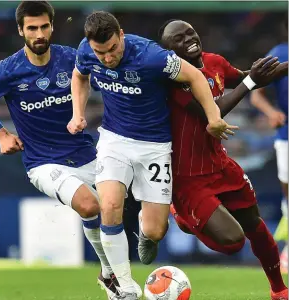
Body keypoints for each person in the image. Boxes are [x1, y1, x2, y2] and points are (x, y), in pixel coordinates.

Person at [67, 11, 237, 299]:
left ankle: (147, 234)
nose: (107, 58)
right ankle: (123, 286)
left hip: (154, 146)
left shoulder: (152, 56)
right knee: (109, 206)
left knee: (156, 230)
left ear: (121, 35)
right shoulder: (86, 51)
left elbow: (194, 75)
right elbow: (79, 76)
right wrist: (77, 114)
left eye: (112, 50)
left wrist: (213, 117)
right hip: (114, 140)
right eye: (100, 53)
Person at [0, 2, 129, 299]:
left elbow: (112, 69)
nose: (39, 34)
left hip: (86, 154)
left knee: (121, 205)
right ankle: (112, 274)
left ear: (52, 26)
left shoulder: (74, 58)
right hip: (43, 162)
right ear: (21, 30)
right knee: (90, 205)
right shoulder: (8, 70)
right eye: (32, 28)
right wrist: (0, 133)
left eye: (44, 26)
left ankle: (110, 273)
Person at [159, 19, 288, 300]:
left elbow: (246, 78)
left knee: (256, 226)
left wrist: (271, 72)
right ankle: (182, 215)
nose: (189, 39)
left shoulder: (214, 62)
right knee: (233, 242)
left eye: (190, 33)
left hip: (221, 165)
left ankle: (279, 290)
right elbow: (212, 111)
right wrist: (251, 79)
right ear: (169, 51)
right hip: (189, 177)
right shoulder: (173, 79)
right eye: (179, 39)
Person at [250, 18, 288, 275]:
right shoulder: (280, 54)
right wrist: (271, 111)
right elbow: (256, 92)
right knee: (288, 192)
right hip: (286, 134)